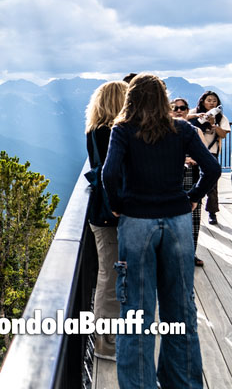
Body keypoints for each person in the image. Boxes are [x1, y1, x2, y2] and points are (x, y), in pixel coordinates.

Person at [102, 74, 220, 389]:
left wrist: (117, 204)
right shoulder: (181, 130)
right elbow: (213, 168)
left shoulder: (123, 130)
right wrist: (193, 198)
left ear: (132, 99)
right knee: (180, 308)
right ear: (162, 100)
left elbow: (109, 172)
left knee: (137, 312)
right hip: (179, 223)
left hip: (138, 223)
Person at [85, 81, 128, 361]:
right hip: (110, 214)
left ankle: (108, 337)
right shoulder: (111, 133)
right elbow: (112, 173)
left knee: (108, 275)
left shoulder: (94, 130)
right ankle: (106, 344)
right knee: (110, 277)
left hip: (101, 212)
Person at [171, 98, 206, 267]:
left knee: (194, 218)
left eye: (182, 108)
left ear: (187, 111)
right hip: (173, 178)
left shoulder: (195, 131)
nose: (179, 111)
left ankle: (190, 253)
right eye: (175, 108)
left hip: (192, 176)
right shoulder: (166, 131)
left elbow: (204, 156)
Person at [187, 90, 230, 225]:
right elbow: (182, 120)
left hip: (211, 151)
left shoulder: (220, 117)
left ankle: (212, 212)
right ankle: (193, 207)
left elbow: (223, 134)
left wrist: (213, 124)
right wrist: (196, 115)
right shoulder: (194, 113)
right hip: (192, 152)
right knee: (193, 180)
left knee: (211, 183)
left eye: (214, 101)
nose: (211, 103)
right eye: (209, 100)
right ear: (202, 101)